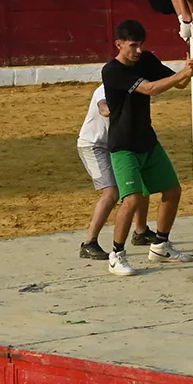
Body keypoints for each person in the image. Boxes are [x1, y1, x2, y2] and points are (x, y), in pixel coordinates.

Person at [101, 19, 193, 276]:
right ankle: (116, 254)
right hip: (123, 146)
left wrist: (188, 71)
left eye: (140, 45)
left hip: (148, 141)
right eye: (132, 45)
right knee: (132, 199)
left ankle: (160, 245)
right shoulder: (112, 71)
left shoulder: (146, 60)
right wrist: (182, 74)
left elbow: (177, 82)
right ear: (119, 44)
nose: (137, 51)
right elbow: (151, 88)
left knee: (173, 190)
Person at [76, 85, 122, 260]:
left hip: (112, 145)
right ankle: (89, 243)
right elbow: (104, 109)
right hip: (93, 146)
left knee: (135, 186)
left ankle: (141, 231)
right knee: (111, 193)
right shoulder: (103, 90)